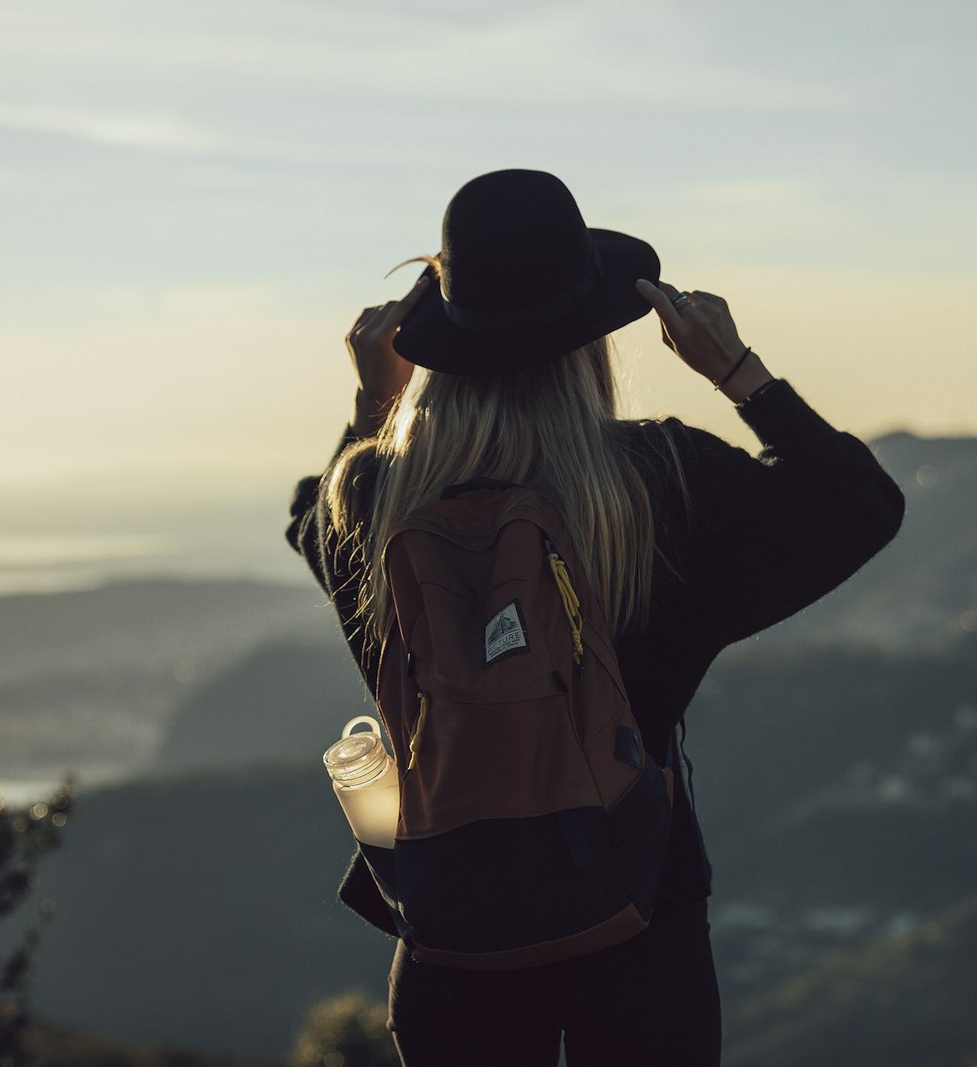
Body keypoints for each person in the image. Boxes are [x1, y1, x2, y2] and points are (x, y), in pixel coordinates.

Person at [285, 169, 906, 1067]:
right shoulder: (664, 486)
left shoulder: (375, 501)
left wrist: (374, 404)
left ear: (441, 339)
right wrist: (737, 370)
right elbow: (860, 504)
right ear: (591, 336)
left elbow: (316, 521)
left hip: (452, 933)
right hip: (642, 921)